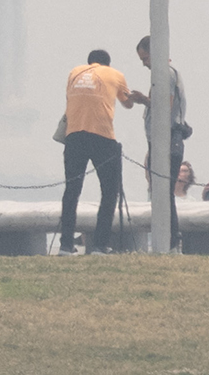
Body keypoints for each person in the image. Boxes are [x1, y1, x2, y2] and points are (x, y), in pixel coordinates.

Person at [57, 47, 144, 255]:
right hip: (102, 135)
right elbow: (127, 104)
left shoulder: (74, 73)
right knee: (109, 191)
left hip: (74, 136)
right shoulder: (115, 75)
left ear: (89, 62)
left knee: (72, 191)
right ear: (108, 63)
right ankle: (100, 244)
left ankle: (65, 245)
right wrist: (137, 98)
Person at [136, 37, 189, 196]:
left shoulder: (166, 74)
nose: (144, 64)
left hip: (168, 139)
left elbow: (165, 107)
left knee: (163, 193)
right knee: (159, 192)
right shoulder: (162, 76)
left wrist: (143, 100)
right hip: (159, 140)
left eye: (145, 58)